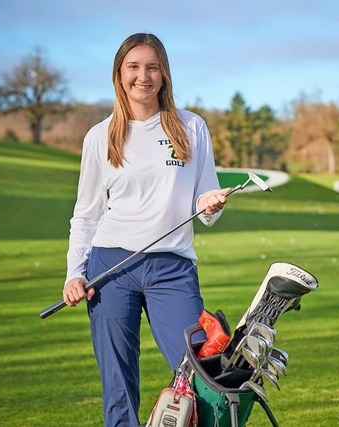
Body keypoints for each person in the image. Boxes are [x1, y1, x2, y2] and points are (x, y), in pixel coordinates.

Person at [62, 33, 229, 426]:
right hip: (110, 269)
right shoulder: (100, 136)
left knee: (200, 372)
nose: (143, 76)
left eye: (152, 67)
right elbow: (85, 214)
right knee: (118, 383)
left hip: (172, 268)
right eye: (133, 67)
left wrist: (211, 205)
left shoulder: (191, 127)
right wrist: (74, 273)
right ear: (119, 76)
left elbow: (205, 204)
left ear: (164, 74)